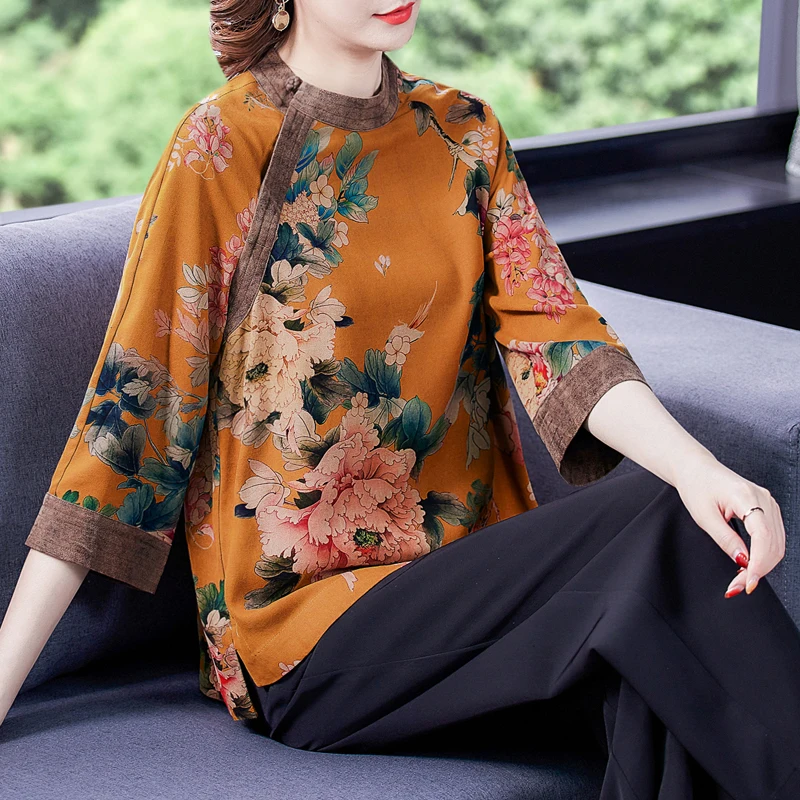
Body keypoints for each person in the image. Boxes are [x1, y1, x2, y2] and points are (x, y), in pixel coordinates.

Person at [2, 1, 799, 797]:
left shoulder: (464, 132)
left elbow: (561, 340)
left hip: (470, 589)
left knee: (659, 665)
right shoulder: (219, 146)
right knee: (659, 533)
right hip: (304, 633)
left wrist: (702, 471)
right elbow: (128, 424)